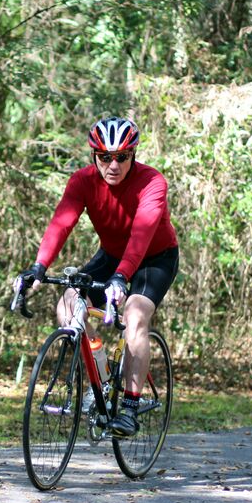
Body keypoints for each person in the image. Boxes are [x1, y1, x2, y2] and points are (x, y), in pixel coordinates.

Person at [15, 117, 179, 437]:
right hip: (112, 255)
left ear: (133, 155)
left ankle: (130, 408)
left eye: (121, 157)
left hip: (154, 258)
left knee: (135, 313)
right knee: (68, 303)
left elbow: (142, 234)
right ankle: (101, 381)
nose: (113, 165)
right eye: (105, 157)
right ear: (94, 156)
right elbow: (62, 222)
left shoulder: (152, 183)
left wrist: (121, 278)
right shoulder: (83, 181)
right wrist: (39, 266)